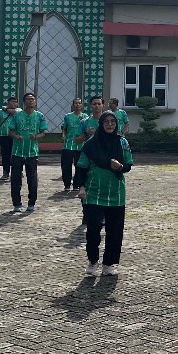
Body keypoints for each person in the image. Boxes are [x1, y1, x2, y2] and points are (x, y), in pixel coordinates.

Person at [74, 111, 133, 277]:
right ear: (101, 124)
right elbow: (81, 167)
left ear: (117, 124)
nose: (109, 124)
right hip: (93, 193)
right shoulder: (91, 144)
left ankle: (109, 263)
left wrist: (120, 166)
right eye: (106, 121)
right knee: (93, 230)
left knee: (115, 231)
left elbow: (128, 165)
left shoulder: (122, 143)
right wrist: (81, 187)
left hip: (116, 194)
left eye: (112, 121)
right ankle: (93, 261)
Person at [4, 92, 47, 212]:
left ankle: (31, 203)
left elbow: (43, 132)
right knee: (16, 179)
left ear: (35, 102)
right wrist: (16, 136)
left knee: (32, 178)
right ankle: (16, 204)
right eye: (28, 99)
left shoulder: (40, 116)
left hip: (32, 152)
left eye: (32, 99)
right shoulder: (17, 116)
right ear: (24, 102)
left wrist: (37, 136)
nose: (31, 101)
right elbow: (10, 131)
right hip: (17, 151)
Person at [59, 98, 89, 192]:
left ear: (82, 105)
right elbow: (64, 127)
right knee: (66, 165)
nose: (77, 105)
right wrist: (63, 135)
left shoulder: (85, 117)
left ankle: (77, 184)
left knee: (79, 165)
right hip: (69, 144)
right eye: (75, 103)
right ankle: (67, 184)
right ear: (73, 105)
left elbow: (87, 130)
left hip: (81, 145)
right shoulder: (68, 116)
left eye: (79, 103)